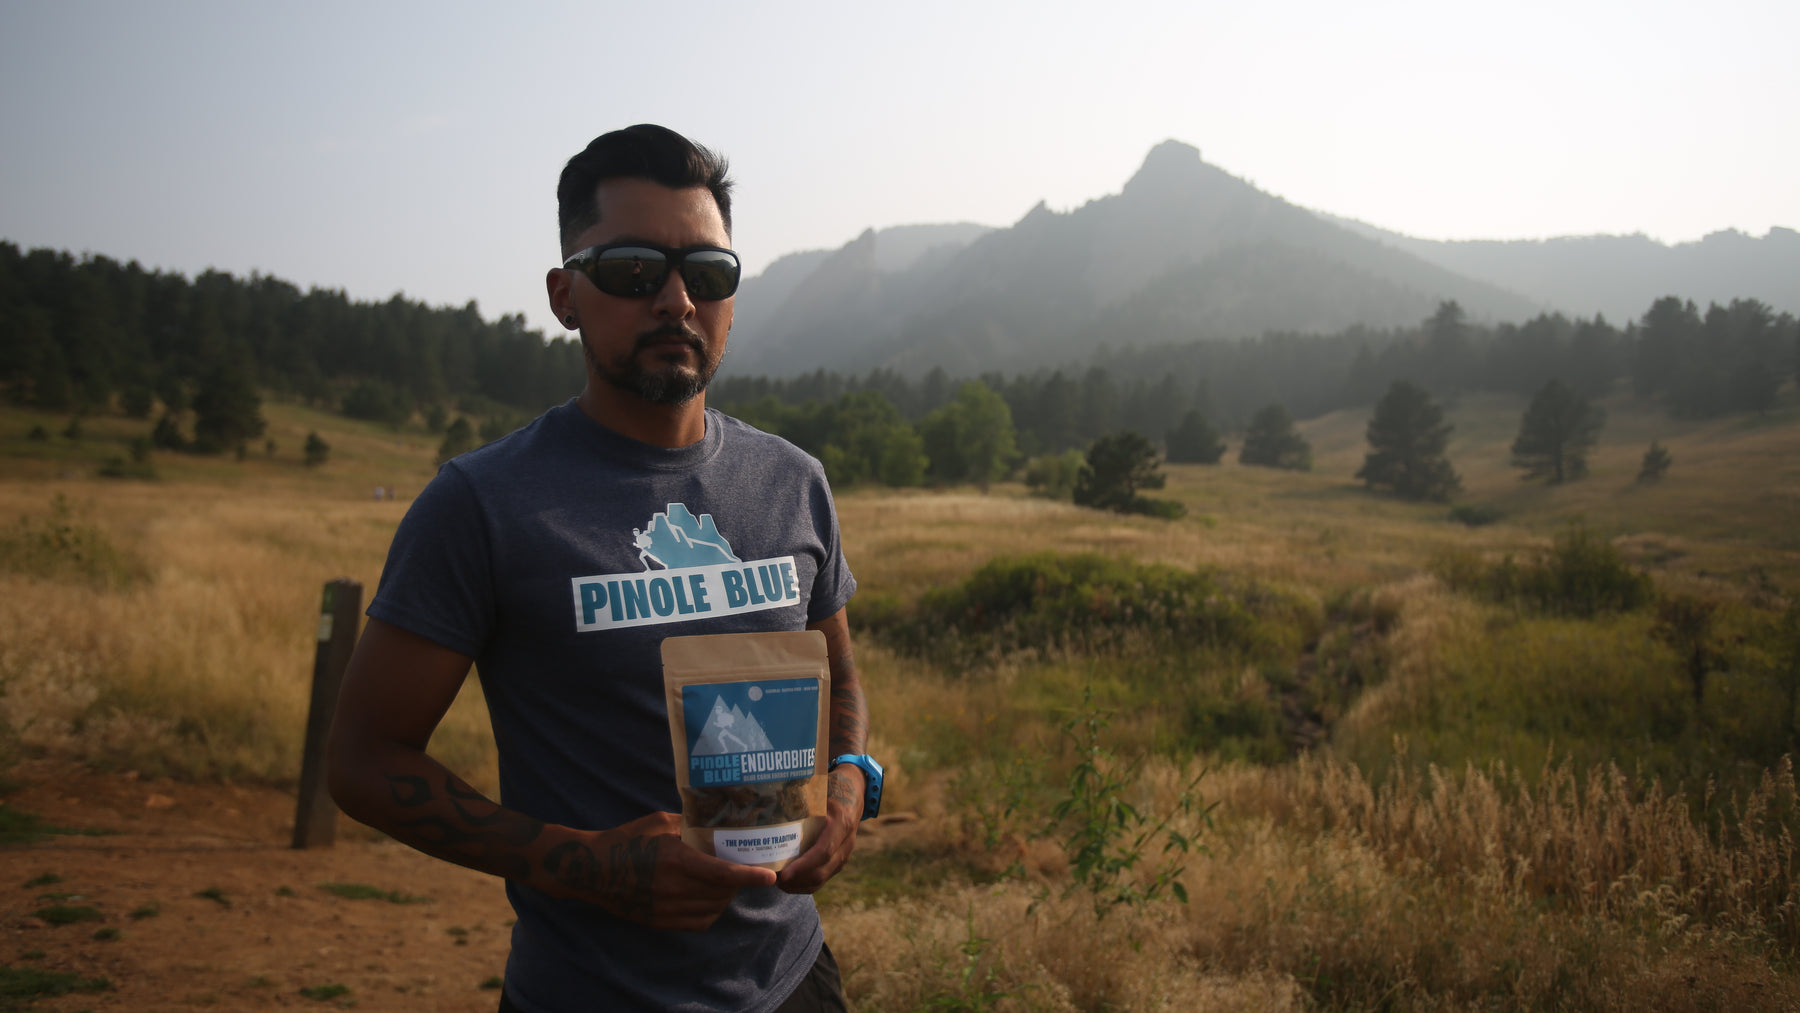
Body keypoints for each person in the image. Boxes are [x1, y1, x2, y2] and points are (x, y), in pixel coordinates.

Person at [326, 124, 876, 1013]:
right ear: (565, 294)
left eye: (707, 273)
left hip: (791, 981)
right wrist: (585, 866)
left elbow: (839, 672)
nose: (675, 300)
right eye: (631, 270)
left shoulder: (794, 483)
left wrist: (850, 787)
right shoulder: (483, 503)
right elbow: (360, 759)